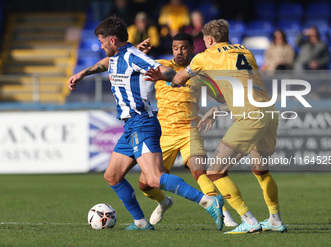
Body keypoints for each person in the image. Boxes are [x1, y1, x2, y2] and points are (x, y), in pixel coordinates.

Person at [68, 16, 223, 231]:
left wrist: (167, 76)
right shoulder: (116, 56)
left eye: (102, 42)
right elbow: (107, 63)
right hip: (130, 126)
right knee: (112, 176)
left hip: (143, 123)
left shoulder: (133, 56)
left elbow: (163, 70)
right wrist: (82, 73)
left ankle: (208, 201)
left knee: (154, 178)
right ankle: (141, 223)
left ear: (112, 40)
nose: (101, 46)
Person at [145, 19, 287, 234]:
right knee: (261, 171)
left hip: (249, 116)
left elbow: (180, 79)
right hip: (269, 111)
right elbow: (236, 84)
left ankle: (248, 221)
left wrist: (165, 78)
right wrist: (216, 107)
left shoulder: (205, 56)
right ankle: (275, 220)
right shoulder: (245, 51)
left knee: (215, 172)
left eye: (204, 40)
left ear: (209, 39)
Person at [136, 33, 238, 227]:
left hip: (189, 130)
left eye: (183, 47)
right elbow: (127, 68)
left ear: (192, 49)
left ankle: (224, 215)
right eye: (175, 48)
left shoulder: (199, 73)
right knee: (145, 184)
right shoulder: (161, 66)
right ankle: (163, 202)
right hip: (163, 133)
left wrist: (218, 107)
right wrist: (137, 53)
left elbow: (222, 97)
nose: (179, 51)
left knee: (199, 171)